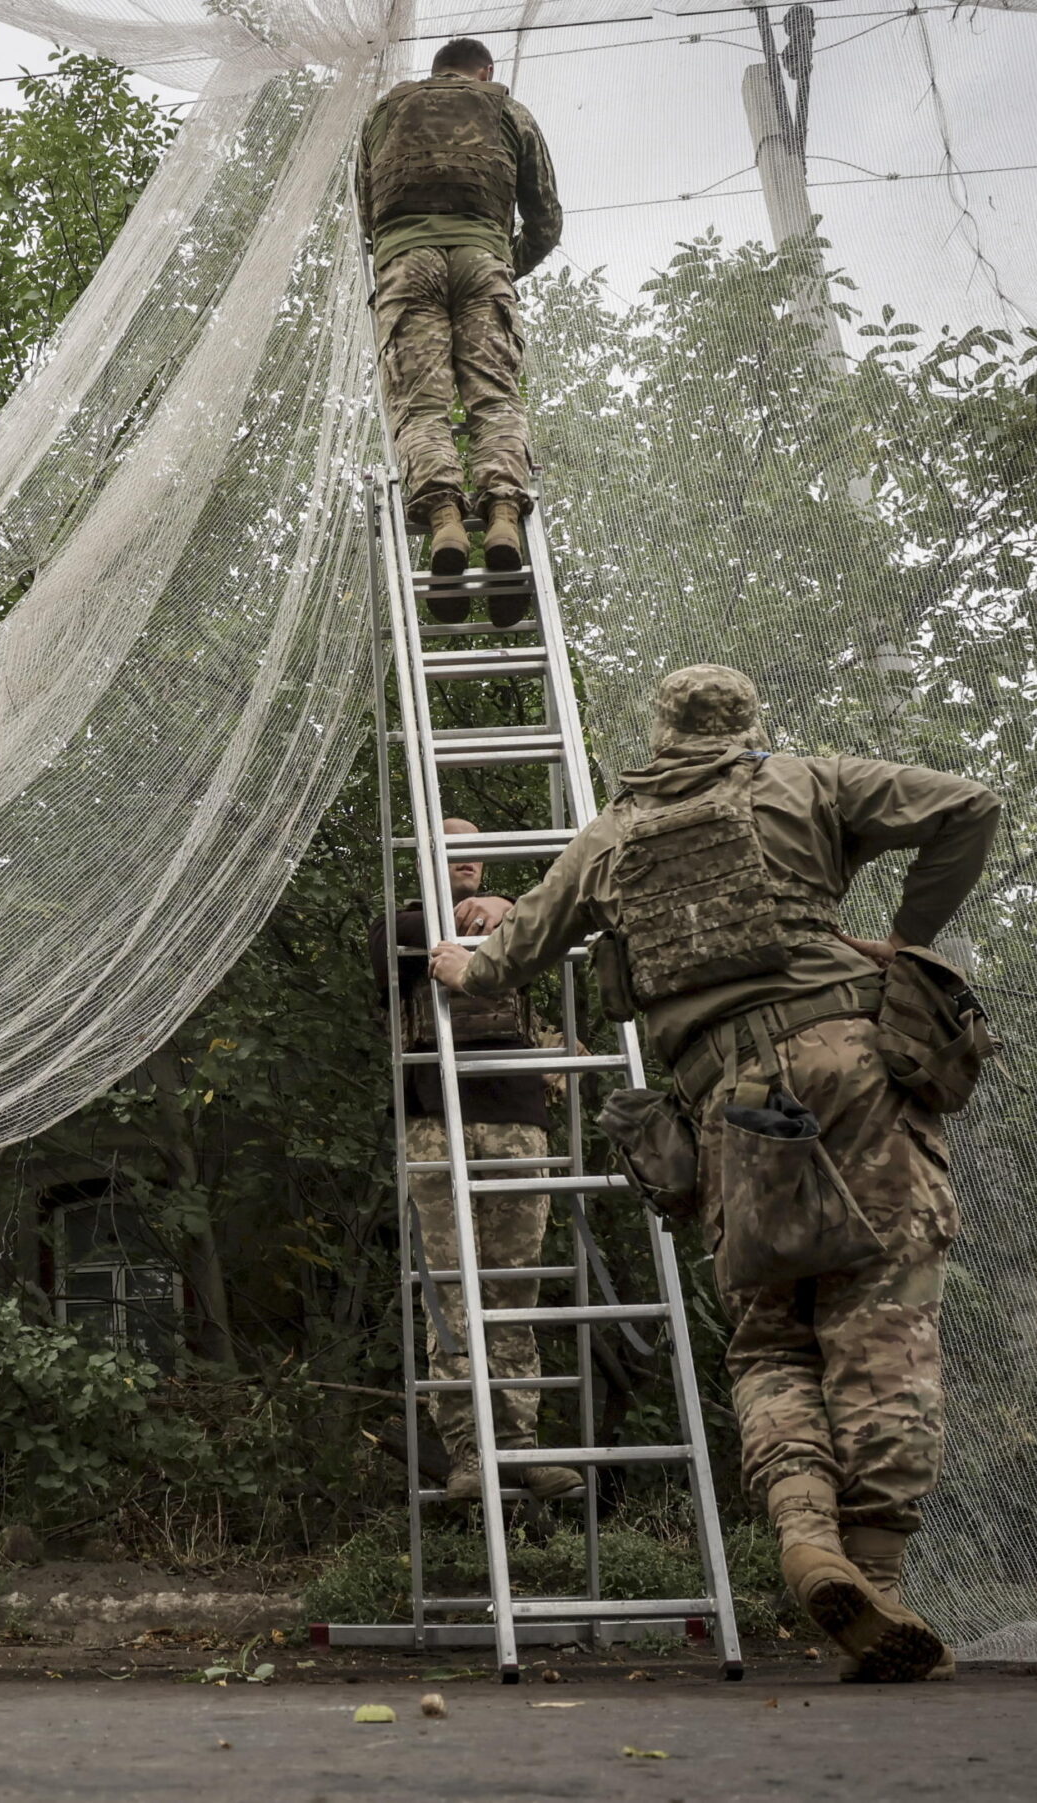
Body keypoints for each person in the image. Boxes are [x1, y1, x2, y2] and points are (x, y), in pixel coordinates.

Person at [428, 666, 1001, 1683]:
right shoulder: (805, 781)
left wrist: (460, 967)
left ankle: (805, 1533)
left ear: (660, 731)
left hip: (725, 1099)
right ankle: (878, 1574)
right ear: (746, 723)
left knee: (772, 1333)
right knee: (880, 1309)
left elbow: (510, 954)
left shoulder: (611, 835)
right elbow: (968, 805)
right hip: (850, 1070)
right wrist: (904, 937)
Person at [374, 817, 580, 1503]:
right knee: (451, 1292)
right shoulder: (400, 927)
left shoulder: (517, 925)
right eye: (450, 846)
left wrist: (509, 907)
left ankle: (519, 1446)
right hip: (436, 1125)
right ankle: (469, 1450)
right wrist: (491, 915)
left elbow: (560, 923)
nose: (466, 858)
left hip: (517, 1122)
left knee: (512, 1289)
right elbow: (404, 944)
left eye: (474, 851)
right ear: (426, 859)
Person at [354, 36, 562, 623]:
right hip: (482, 262)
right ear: (485, 71)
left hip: (405, 265)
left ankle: (445, 520)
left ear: (436, 69)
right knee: (495, 400)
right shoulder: (509, 110)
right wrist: (501, 262)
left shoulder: (382, 114)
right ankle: (502, 516)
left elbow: (367, 215)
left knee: (421, 407)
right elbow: (546, 219)